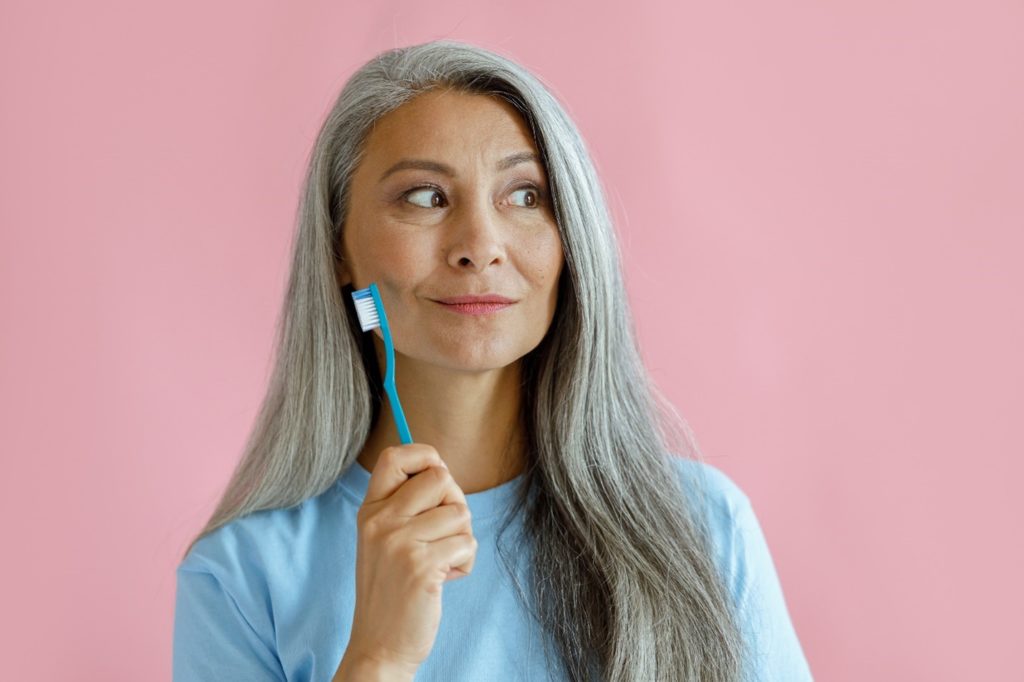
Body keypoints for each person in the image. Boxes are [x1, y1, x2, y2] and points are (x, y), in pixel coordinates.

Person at [172, 39, 813, 682]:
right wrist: (379, 657)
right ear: (340, 246)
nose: (480, 246)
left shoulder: (705, 527)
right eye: (425, 197)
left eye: (526, 196)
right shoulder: (239, 577)